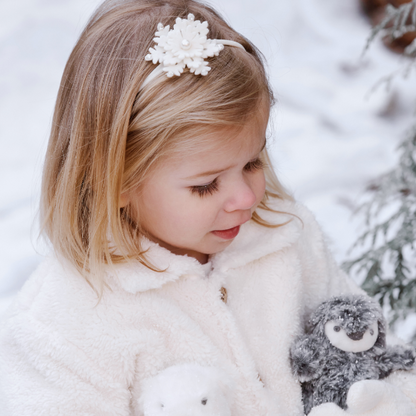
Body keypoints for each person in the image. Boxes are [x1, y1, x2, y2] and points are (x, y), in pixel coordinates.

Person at [0, 0, 415, 415]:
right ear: (115, 181)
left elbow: (386, 363)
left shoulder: (284, 238)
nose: (247, 198)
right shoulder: (68, 320)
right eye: (205, 186)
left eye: (252, 162)